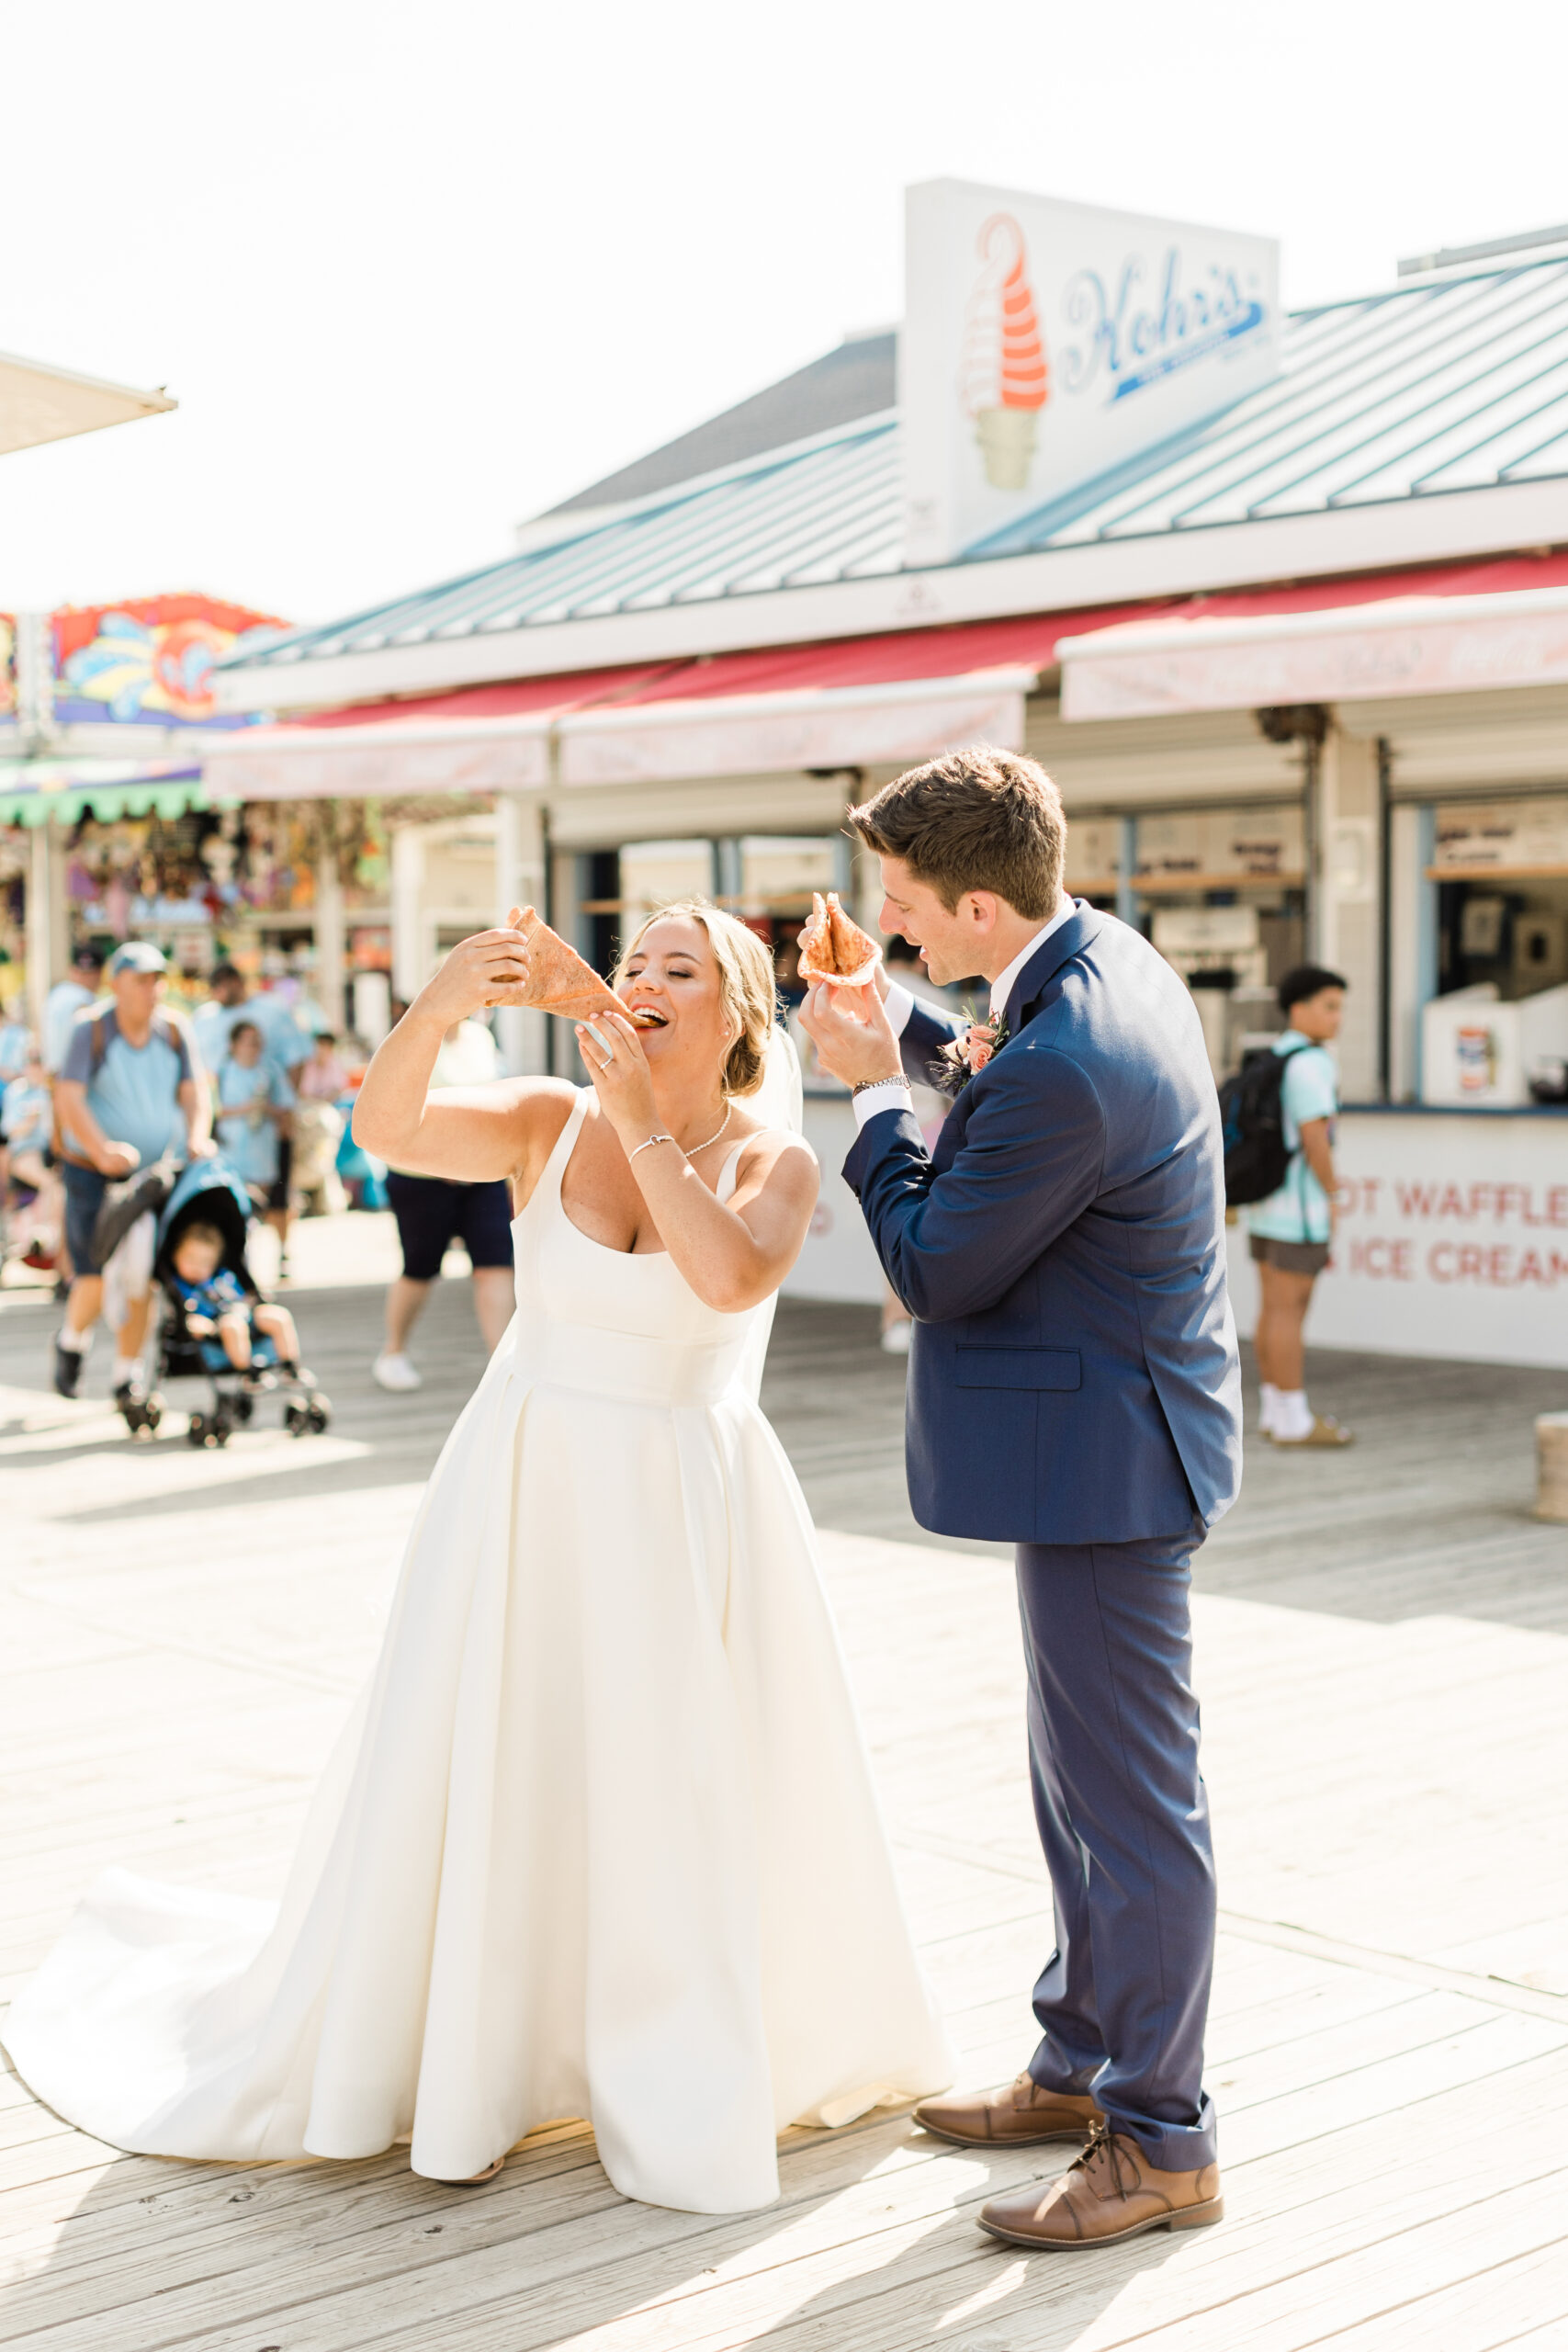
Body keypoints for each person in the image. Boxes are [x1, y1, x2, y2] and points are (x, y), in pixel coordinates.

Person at [3, 899, 953, 2211]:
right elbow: (385, 1131)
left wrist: (641, 1123)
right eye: (630, 962)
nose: (642, 978)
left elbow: (727, 1279)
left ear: (738, 1014)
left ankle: (658, 2055)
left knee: (661, 1777)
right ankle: (486, 2060)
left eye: (678, 967)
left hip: (685, 1509)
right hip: (525, 1486)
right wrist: (446, 999)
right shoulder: (543, 1119)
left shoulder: (774, 1159)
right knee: (509, 1759)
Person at [800, 747, 1242, 2255]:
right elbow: (1005, 1069)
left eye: (907, 906)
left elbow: (932, 1264)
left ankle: (1161, 2139)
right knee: (1078, 1789)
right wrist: (904, 1025)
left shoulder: (1069, 1055)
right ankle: (1079, 2061)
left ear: (980, 906)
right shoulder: (1097, 960)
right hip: (1106, 1440)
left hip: (1113, 1460)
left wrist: (871, 1090)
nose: (892, 925)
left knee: (1130, 1809)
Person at [52, 943, 211, 1405]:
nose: (152, 989)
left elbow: (194, 1092)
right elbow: (68, 1096)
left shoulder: (175, 1030)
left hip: (152, 1175)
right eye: (141, 980)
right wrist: (101, 1151)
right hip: (93, 1172)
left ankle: (127, 1374)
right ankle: (71, 1342)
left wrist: (197, 1136)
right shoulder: (91, 1029)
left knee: (140, 1274)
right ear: (116, 983)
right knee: (94, 1275)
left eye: (157, 979)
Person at [373, 1014, 513, 1391]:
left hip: (482, 1175)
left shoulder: (480, 1037)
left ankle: (502, 1368)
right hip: (421, 1178)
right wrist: (443, 1161)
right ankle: (393, 1351)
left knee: (496, 1266)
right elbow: (394, 1111)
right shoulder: (411, 1037)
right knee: (420, 1269)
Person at [1247, 965, 1352, 1448]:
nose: (1338, 1018)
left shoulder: (1275, 1056)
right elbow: (1315, 1138)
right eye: (1329, 1007)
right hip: (1300, 1213)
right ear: (1299, 1007)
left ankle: (1276, 1411)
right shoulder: (1311, 1064)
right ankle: (1293, 1420)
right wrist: (1333, 1192)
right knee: (1291, 1311)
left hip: (1266, 1206)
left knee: (1273, 1309)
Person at [168, 1217, 300, 1373]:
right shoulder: (177, 1287)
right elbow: (180, 1318)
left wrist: (253, 1301)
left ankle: (290, 1366)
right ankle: (248, 1372)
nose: (196, 1268)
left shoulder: (223, 1278)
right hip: (216, 1326)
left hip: (241, 1313)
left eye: (204, 1263)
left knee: (278, 1316)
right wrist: (193, 1323)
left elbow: (240, 1298)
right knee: (232, 1325)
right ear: (175, 1256)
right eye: (190, 1260)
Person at [214, 1020, 296, 1269]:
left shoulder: (269, 1070)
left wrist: (265, 1109)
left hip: (263, 1150)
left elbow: (286, 1106)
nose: (254, 1047)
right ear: (235, 1044)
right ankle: (240, 1257)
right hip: (231, 1149)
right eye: (249, 1042)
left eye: (257, 1042)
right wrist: (246, 1108)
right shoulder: (223, 1071)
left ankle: (276, 1253)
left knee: (267, 1204)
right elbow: (213, 1109)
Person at [43, 944, 105, 1075]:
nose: (84, 977)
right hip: (73, 1076)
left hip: (53, 1073)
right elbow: (96, 1044)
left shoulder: (57, 993)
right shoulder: (84, 998)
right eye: (81, 973)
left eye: (89, 973)